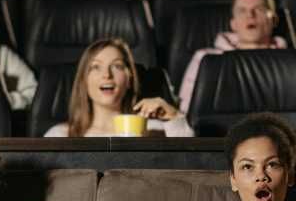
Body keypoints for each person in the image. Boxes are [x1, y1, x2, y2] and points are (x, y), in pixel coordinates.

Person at [44, 37, 195, 137]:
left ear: (129, 79)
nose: (106, 75)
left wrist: (174, 118)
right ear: (84, 81)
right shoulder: (59, 135)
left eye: (116, 66)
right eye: (96, 67)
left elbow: (192, 168)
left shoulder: (155, 131)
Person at [177, 0, 288, 114]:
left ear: (273, 20)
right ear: (233, 24)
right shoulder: (205, 58)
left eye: (258, 9)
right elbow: (185, 110)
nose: (250, 15)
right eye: (242, 10)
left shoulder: (290, 61)